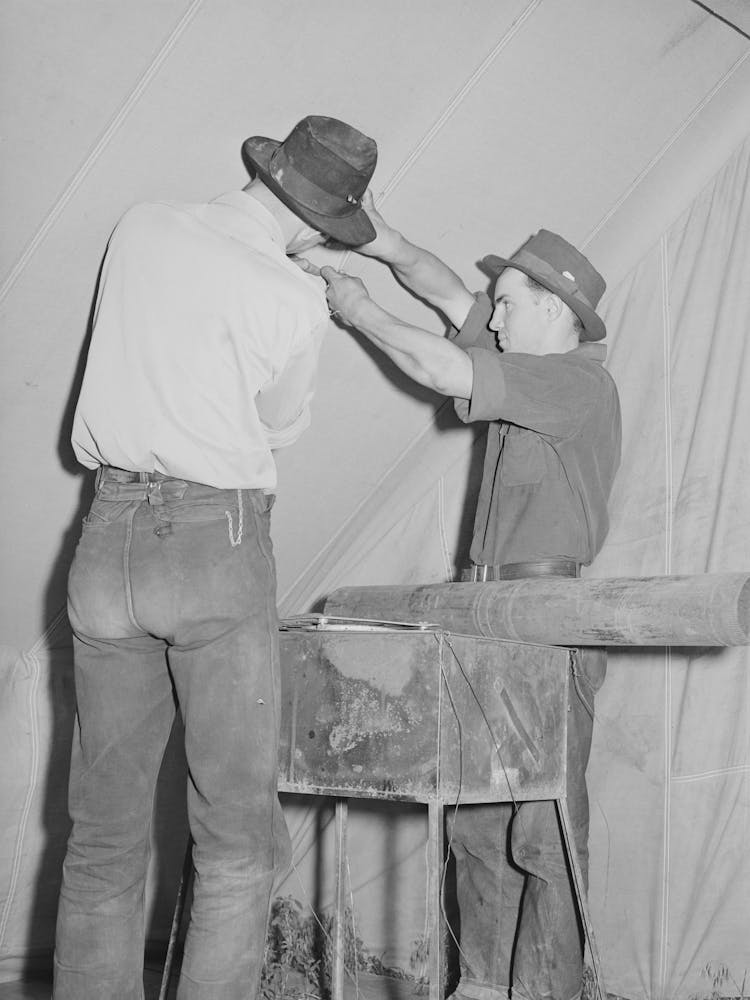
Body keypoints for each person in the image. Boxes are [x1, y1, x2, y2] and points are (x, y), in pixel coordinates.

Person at [53, 115, 377, 1000]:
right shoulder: (293, 297)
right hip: (213, 540)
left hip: (105, 535)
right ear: (318, 223)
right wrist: (299, 298)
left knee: (102, 835)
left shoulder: (143, 222)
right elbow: (279, 425)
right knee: (237, 842)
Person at [321, 199, 621, 1000]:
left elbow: (443, 366)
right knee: (479, 827)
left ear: (555, 310)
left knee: (543, 836)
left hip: (545, 629)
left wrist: (358, 310)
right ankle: (483, 987)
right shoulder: (528, 361)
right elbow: (446, 288)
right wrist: (372, 239)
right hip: (485, 625)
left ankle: (545, 992)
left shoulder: (571, 385)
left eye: (511, 305)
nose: (494, 322)